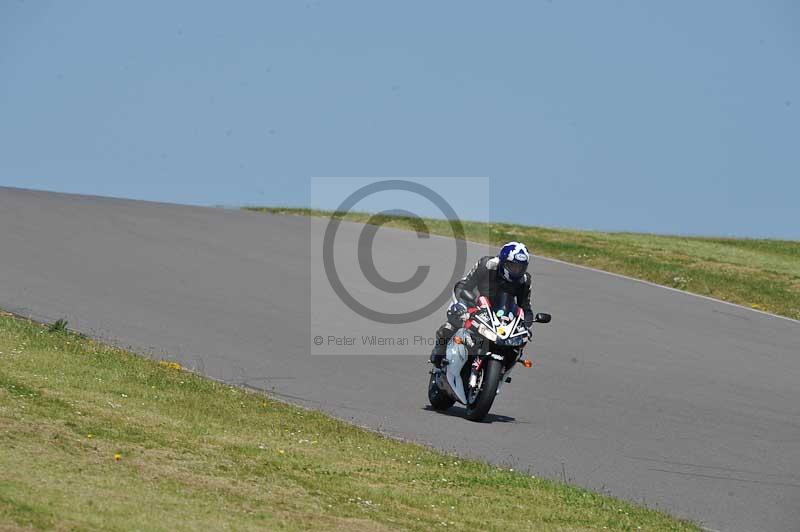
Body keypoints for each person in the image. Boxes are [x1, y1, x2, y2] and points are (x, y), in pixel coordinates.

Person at [429, 241, 534, 367]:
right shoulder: (486, 265)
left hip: (501, 317)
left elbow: (526, 308)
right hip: (475, 306)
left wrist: (527, 326)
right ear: (503, 261)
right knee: (451, 323)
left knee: (518, 344)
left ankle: (502, 369)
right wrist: (461, 305)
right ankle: (439, 353)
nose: (516, 271)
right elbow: (463, 286)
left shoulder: (525, 280)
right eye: (513, 266)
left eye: (520, 267)